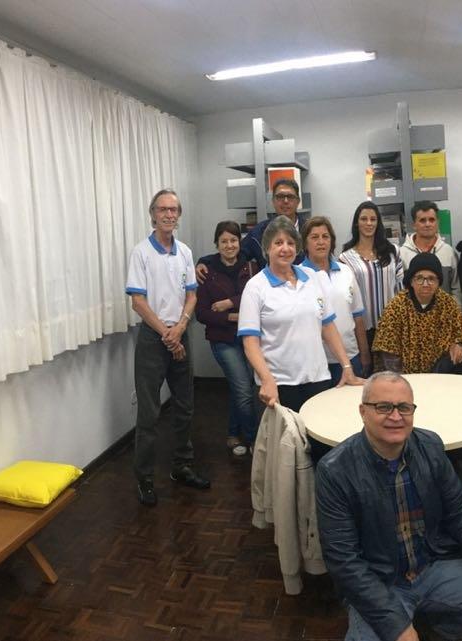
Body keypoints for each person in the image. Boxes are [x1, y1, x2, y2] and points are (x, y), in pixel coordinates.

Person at [316, 372, 462, 641]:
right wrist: (396, 625)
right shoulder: (334, 470)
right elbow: (343, 560)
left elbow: (460, 512)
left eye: (404, 407)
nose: (396, 416)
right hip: (380, 580)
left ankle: (436, 622)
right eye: (383, 407)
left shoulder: (430, 446)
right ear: (363, 412)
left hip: (432, 564)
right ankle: (408, 617)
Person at [125, 189, 209, 506]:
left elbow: (192, 295)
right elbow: (138, 301)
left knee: (185, 405)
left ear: (179, 215)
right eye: (163, 209)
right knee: (149, 413)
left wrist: (181, 328)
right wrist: (167, 334)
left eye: (173, 210)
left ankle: (182, 466)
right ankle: (144, 479)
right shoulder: (141, 253)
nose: (169, 215)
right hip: (153, 338)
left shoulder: (184, 251)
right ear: (153, 214)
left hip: (179, 332)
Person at [240, 215, 363, 414]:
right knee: (286, 435)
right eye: (278, 243)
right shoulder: (255, 287)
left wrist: (346, 367)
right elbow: (250, 342)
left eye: (290, 243)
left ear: (297, 248)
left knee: (319, 432)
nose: (285, 248)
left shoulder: (313, 277)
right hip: (279, 384)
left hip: (318, 378)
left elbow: (328, 327)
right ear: (267, 248)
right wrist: (267, 379)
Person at [196, 221, 258, 457]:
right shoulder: (206, 272)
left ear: (239, 242)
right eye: (224, 241)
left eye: (233, 240)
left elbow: (257, 295)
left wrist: (229, 303)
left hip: (249, 337)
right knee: (243, 388)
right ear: (216, 244)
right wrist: (233, 316)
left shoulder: (252, 267)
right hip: (223, 340)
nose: (229, 245)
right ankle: (253, 440)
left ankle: (233, 433)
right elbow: (202, 313)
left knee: (242, 387)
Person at [371, 254, 462, 374]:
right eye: (419, 278)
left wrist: (457, 346)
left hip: (441, 374)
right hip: (404, 375)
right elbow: (387, 351)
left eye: (431, 279)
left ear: (439, 282)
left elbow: (458, 335)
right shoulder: (396, 306)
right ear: (411, 281)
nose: (425, 284)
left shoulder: (448, 304)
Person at [196, 178, 305, 282]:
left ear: (298, 201)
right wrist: (205, 262)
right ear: (273, 201)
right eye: (280, 197)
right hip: (271, 289)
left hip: (305, 286)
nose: (285, 201)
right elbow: (235, 253)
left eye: (290, 197)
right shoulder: (259, 232)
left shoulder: (308, 231)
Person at [303, 216, 370, 379]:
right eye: (314, 237)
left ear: (332, 241)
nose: (321, 242)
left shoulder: (346, 271)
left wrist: (364, 353)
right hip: (317, 361)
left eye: (325, 237)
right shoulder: (298, 276)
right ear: (305, 243)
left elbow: (357, 316)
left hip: (350, 356)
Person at [340, 201, 404, 346]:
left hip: (392, 327)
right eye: (364, 219)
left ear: (378, 223)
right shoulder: (345, 258)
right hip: (362, 330)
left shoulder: (393, 251)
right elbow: (347, 298)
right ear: (356, 223)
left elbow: (401, 290)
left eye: (373, 219)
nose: (369, 223)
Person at [398, 201, 460, 302]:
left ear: (437, 223)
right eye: (422, 220)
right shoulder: (402, 254)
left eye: (432, 220)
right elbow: (399, 290)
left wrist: (454, 310)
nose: (428, 224)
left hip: (444, 311)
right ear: (414, 225)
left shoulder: (449, 252)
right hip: (411, 312)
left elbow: (456, 288)